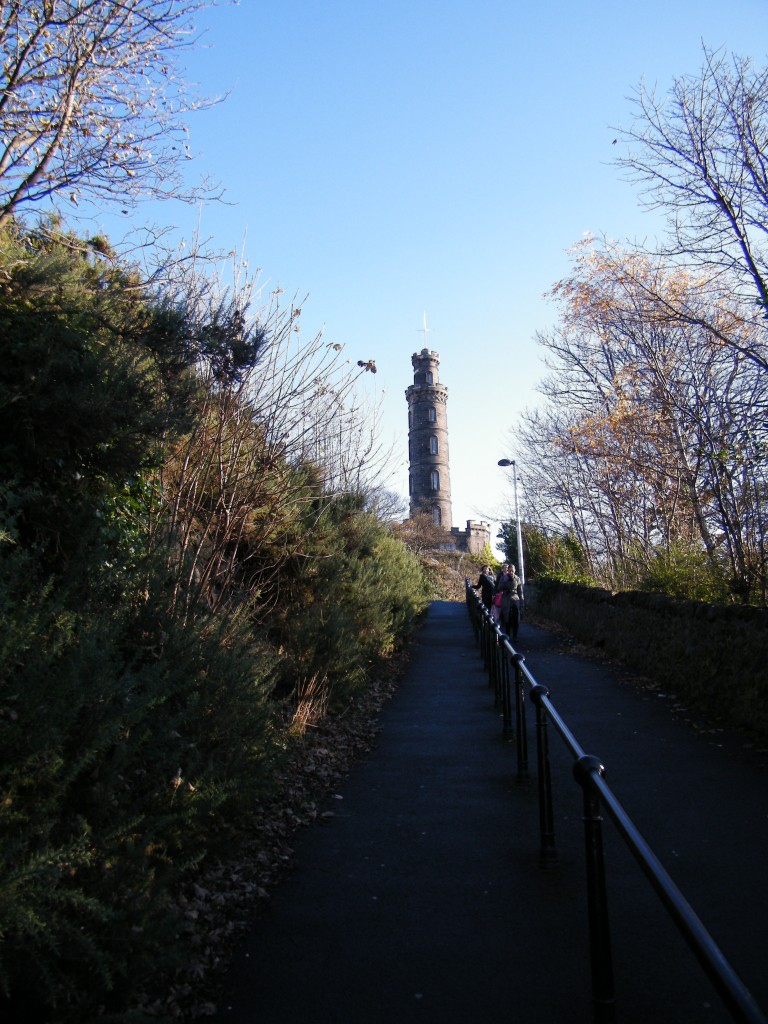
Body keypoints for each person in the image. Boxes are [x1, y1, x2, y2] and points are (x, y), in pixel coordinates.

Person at [499, 564, 523, 640]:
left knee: (516, 618)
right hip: (506, 598)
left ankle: (515, 636)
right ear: (507, 571)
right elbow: (499, 588)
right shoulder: (504, 577)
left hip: (515, 598)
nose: (511, 572)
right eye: (510, 570)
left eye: (512, 570)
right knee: (507, 618)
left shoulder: (517, 578)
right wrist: (505, 581)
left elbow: (520, 591)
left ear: (515, 570)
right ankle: (507, 635)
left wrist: (522, 601)